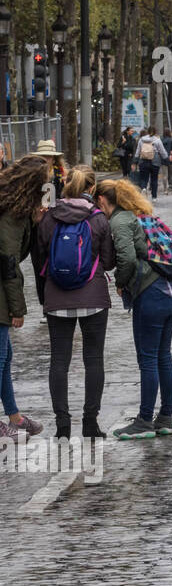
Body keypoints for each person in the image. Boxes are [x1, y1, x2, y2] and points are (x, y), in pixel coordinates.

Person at [93, 179, 172, 440]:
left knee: (148, 359)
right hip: (170, 292)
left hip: (150, 295)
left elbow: (127, 258)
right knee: (163, 356)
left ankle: (144, 421)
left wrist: (121, 283)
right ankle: (165, 417)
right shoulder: (140, 216)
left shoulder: (120, 221)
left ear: (101, 200)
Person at [33, 165, 116, 439]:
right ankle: (90, 423)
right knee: (93, 360)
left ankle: (62, 426)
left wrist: (46, 291)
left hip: (57, 297)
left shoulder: (49, 217)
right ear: (92, 188)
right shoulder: (99, 219)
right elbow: (107, 261)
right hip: (93, 296)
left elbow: (40, 258)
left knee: (59, 361)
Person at [0, 157, 49, 441]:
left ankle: (14, 416)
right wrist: (18, 308)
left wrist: (36, 221)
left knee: (6, 358)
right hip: (2, 293)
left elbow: (18, 253)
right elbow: (8, 260)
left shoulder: (17, 209)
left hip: (3, 291)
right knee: (1, 358)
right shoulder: (11, 213)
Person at [133, 127, 167, 200]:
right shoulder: (157, 140)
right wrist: (166, 158)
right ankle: (154, 197)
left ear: (147, 131)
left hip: (143, 160)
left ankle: (144, 188)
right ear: (155, 132)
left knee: (144, 178)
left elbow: (138, 151)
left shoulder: (141, 140)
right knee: (154, 179)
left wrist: (135, 160)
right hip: (155, 161)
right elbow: (162, 151)